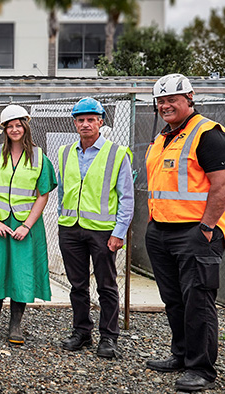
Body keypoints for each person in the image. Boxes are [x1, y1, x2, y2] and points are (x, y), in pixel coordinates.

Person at [144, 74, 225, 392]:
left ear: (189, 97)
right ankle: (181, 355)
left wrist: (206, 228)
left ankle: (202, 369)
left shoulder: (207, 133)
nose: (165, 105)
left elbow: (221, 186)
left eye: (172, 99)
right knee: (174, 300)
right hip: (161, 232)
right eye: (160, 101)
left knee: (198, 301)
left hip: (195, 232)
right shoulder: (163, 137)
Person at [0, 105, 56, 346]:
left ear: (26, 127)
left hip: (24, 226)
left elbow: (43, 194)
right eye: (10, 126)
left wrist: (27, 225)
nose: (15, 129)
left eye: (19, 125)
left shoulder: (39, 157)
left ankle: (16, 326)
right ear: (4, 129)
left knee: (22, 273)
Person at [57, 98, 134, 359]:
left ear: (101, 121)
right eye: (81, 120)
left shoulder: (116, 153)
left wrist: (119, 232)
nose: (86, 124)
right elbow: (63, 191)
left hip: (103, 231)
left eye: (91, 119)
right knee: (77, 285)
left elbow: (127, 197)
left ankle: (109, 337)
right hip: (70, 228)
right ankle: (82, 332)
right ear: (75, 123)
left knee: (107, 286)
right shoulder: (65, 152)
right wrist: (62, 219)